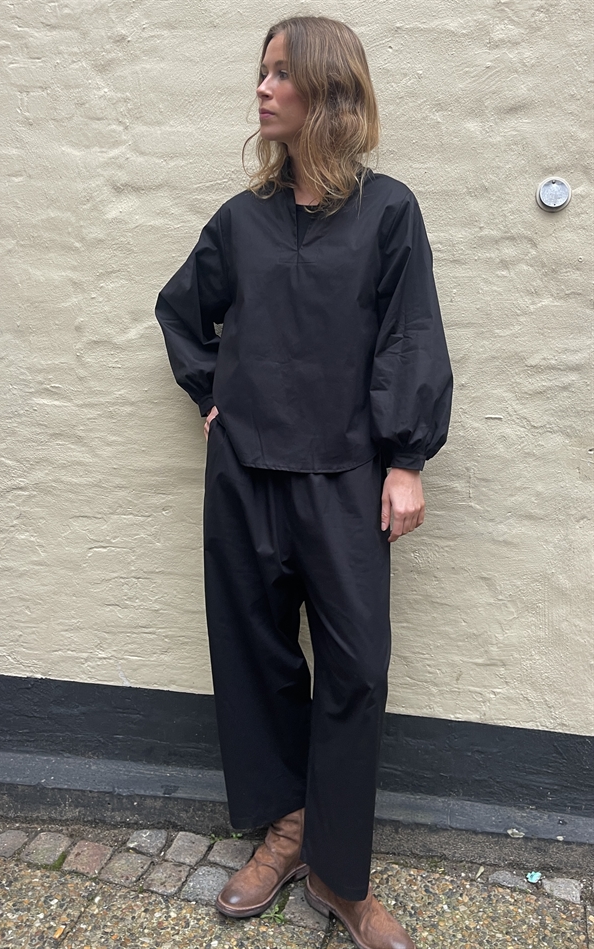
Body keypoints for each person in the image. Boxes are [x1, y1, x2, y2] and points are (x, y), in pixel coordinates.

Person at [156, 15, 452, 949]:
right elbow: (181, 311)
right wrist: (211, 396)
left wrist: (406, 459)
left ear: (327, 90)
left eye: (281, 73)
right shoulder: (240, 221)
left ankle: (338, 871)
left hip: (347, 479)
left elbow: (410, 334)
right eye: (263, 71)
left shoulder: (388, 213)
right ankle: (285, 831)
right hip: (245, 475)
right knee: (258, 659)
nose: (263, 87)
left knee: (355, 670)